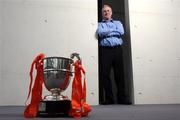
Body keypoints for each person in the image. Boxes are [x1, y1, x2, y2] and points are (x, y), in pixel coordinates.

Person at [96, 5, 126, 104]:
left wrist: (107, 32)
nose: (106, 12)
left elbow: (121, 31)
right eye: (104, 11)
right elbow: (100, 33)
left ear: (111, 12)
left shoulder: (118, 23)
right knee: (105, 75)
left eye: (108, 11)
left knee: (119, 74)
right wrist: (113, 31)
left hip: (117, 50)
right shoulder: (99, 24)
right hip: (105, 51)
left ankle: (122, 98)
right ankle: (109, 99)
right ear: (102, 13)